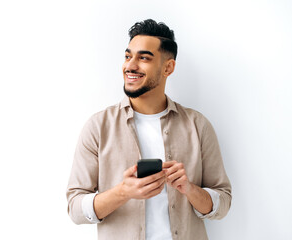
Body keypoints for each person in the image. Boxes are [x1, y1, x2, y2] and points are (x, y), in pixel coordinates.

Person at [66, 19, 232, 240]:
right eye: (128, 56)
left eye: (143, 58)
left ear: (168, 67)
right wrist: (123, 192)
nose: (130, 66)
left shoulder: (198, 125)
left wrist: (190, 189)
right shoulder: (98, 126)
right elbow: (75, 208)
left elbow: (223, 202)